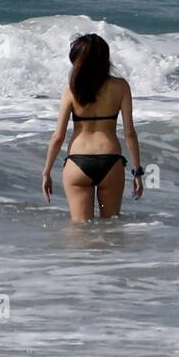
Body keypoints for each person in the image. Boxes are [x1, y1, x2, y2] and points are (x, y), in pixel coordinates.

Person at [42, 34, 143, 222]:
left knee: (80, 232)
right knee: (111, 227)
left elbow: (58, 136)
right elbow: (130, 133)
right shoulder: (121, 87)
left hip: (77, 163)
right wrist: (137, 171)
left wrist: (46, 172)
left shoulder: (71, 89)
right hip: (111, 162)